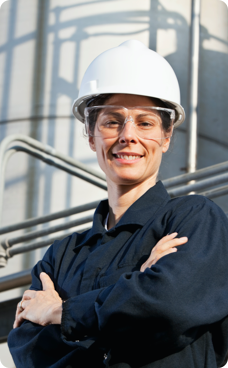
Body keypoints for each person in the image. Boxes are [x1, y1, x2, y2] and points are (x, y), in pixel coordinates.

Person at [8, 40, 228, 368]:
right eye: (112, 121)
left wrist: (61, 313)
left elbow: (168, 309)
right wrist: (135, 290)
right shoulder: (60, 257)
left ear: (166, 138)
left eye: (145, 122)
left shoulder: (193, 220)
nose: (128, 135)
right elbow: (28, 350)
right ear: (91, 134)